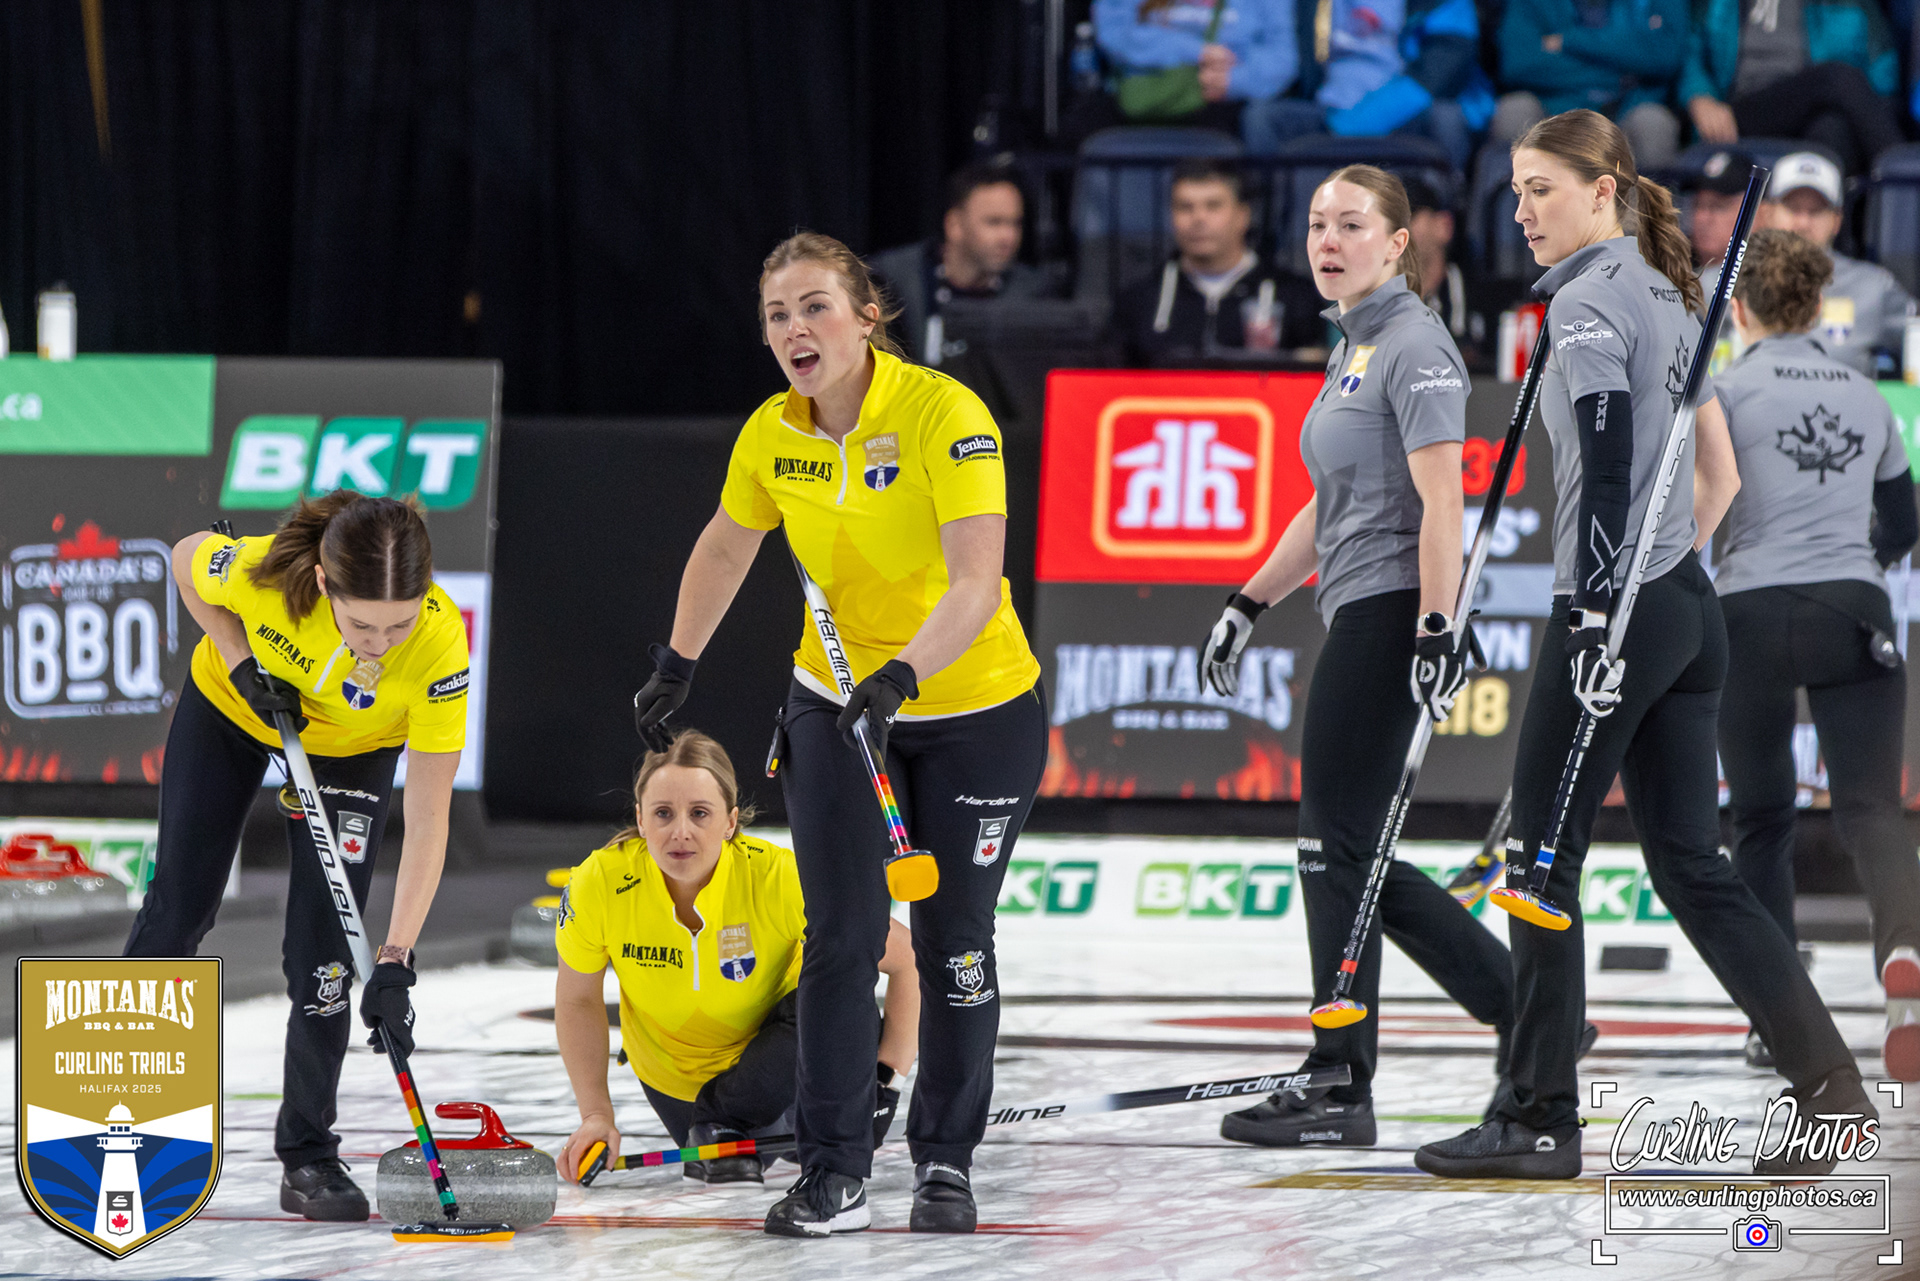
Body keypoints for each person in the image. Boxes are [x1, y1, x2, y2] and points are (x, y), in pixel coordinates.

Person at [1414, 109, 1874, 1180]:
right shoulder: (1670, 295)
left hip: (1616, 609)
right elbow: (1720, 478)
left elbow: (1613, 460)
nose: (1520, 210)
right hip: (1681, 607)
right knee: (1693, 867)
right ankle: (1831, 1089)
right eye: (1515, 190)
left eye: (1540, 189)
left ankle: (1536, 1114)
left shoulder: (1587, 302)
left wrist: (1597, 612)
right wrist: (1664, 580)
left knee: (1539, 859)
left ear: (1603, 190)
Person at [630, 232, 1048, 1236]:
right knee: (841, 938)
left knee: (954, 941)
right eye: (777, 315)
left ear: (867, 316)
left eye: (814, 306)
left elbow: (976, 580)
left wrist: (904, 673)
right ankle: (833, 1169)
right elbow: (728, 542)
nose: (794, 330)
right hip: (836, 702)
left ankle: (945, 1160)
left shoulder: (945, 414)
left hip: (972, 707)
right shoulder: (771, 432)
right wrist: (677, 659)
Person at [1198, 165, 1519, 1148]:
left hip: (1392, 612)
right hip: (1358, 604)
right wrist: (1250, 600)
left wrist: (1436, 625)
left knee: (1331, 847)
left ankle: (1340, 1079)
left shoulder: (1413, 343)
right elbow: (1326, 502)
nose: (1328, 242)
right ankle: (1524, 1008)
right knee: (1349, 850)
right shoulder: (1356, 344)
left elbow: (1443, 501)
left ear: (1397, 242)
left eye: (1350, 225)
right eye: (1316, 225)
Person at [127, 492, 470, 1220]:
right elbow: (186, 560)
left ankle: (309, 1154)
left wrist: (397, 958)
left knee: (326, 958)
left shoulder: (441, 646)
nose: (381, 643)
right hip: (231, 709)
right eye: (362, 624)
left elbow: (430, 815)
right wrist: (240, 661)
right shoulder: (266, 572)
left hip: (354, 750)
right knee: (179, 907)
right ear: (323, 584)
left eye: (400, 623)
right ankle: (119, 1117)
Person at [1709, 229, 1920, 1083]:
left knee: (1761, 819)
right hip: (1851, 607)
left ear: (1740, 308)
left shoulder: (1724, 392)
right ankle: (1904, 954)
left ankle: (1777, 1018)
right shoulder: (1866, 394)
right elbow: (1905, 522)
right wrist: (1855, 555)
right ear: (1815, 306)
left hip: (1748, 613)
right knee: (1871, 810)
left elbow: (1702, 505)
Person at [555, 730, 922, 1185]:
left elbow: (908, 960)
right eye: (663, 813)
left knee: (845, 994)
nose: (681, 831)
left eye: (700, 813)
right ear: (640, 819)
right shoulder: (599, 883)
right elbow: (577, 999)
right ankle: (730, 1125)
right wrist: (595, 1115)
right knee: (767, 1145)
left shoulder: (778, 876)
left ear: (730, 822)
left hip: (783, 1068)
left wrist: (885, 1085)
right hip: (679, 1090)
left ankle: (747, 1123)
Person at [1110, 157, 1326, 364]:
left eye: (1213, 206)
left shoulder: (1295, 296)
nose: (1198, 218)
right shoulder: (1139, 301)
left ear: (1243, 215)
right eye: (1185, 207)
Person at [1240, 0, 1497, 171]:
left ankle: (1450, 227)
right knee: (1262, 117)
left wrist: (1359, 121)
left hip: (1404, 115)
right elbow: (1285, 55)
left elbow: (1444, 65)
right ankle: (1275, 228)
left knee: (1447, 120)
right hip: (1328, 110)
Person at [1680, 0, 1901, 176]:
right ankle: (1904, 179)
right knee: (1837, 77)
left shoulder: (1848, 4)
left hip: (1810, 110)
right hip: (1739, 112)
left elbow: (1881, 64)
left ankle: (1880, 212)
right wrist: (1698, 96)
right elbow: (1690, 50)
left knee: (1832, 131)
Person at [867, 163, 1051, 368]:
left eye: (1015, 223)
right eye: (994, 222)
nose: (1008, 237)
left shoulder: (1032, 292)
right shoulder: (895, 279)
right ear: (954, 225)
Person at [1762, 150, 1917, 377]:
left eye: (1816, 211)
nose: (1803, 223)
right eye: (1792, 208)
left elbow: (1914, 335)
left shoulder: (1873, 286)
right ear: (1767, 213)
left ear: (1837, 220)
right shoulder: (1732, 280)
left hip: (1846, 398)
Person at [1488, 0, 1689, 171]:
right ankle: (1512, 205)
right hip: (1553, 113)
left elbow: (1664, 57)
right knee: (1514, 110)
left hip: (1625, 112)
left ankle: (1650, 207)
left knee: (1653, 123)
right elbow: (1519, 65)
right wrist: (1622, 71)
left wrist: (1568, 41)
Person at [1077, 0, 1300, 140]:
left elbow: (1283, 59)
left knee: (1252, 128)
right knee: (1079, 126)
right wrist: (1196, 52)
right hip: (1141, 91)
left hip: (1225, 102)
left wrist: (1234, 80)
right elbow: (1113, 31)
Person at [1405, 176, 1524, 368]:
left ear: (1444, 226)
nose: (1398, 230)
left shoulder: (1487, 299)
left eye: (1409, 218)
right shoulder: (1377, 299)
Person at [1688, 149, 1755, 293]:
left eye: (1718, 207)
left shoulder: (1768, 281)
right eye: (1698, 205)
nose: (1703, 218)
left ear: (1758, 212)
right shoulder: (1671, 268)